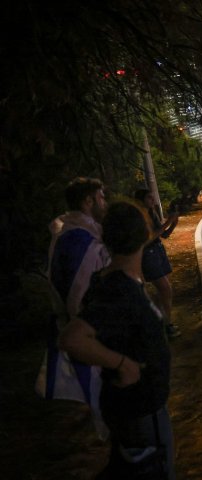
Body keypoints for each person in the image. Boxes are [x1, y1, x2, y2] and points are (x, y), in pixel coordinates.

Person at [58, 200, 175, 479]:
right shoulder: (119, 289)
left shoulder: (115, 280)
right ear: (144, 235)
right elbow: (73, 338)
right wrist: (123, 364)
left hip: (132, 409)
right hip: (140, 412)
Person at [41, 177, 111, 435]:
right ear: (88, 201)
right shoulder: (78, 240)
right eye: (101, 197)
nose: (105, 203)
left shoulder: (74, 233)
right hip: (89, 329)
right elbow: (79, 292)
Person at [134, 189, 181, 339]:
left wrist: (173, 224)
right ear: (141, 200)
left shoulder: (151, 212)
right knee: (165, 290)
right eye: (149, 198)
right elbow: (147, 239)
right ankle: (166, 325)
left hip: (158, 250)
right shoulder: (140, 216)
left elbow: (163, 235)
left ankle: (164, 322)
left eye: (153, 198)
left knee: (164, 291)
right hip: (149, 255)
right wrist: (167, 222)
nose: (153, 201)